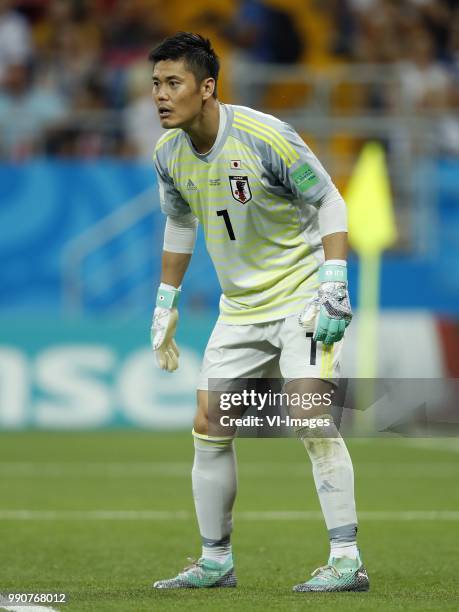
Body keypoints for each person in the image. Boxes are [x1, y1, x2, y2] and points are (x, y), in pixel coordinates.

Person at [149, 32, 369, 593]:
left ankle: (347, 559)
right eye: (155, 84)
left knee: (309, 417)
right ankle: (215, 561)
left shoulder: (265, 136)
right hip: (241, 309)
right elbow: (180, 223)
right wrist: (165, 302)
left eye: (173, 83)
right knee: (208, 425)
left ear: (207, 87)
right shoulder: (168, 155)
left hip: (300, 295)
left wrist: (334, 282)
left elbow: (330, 199)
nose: (161, 95)